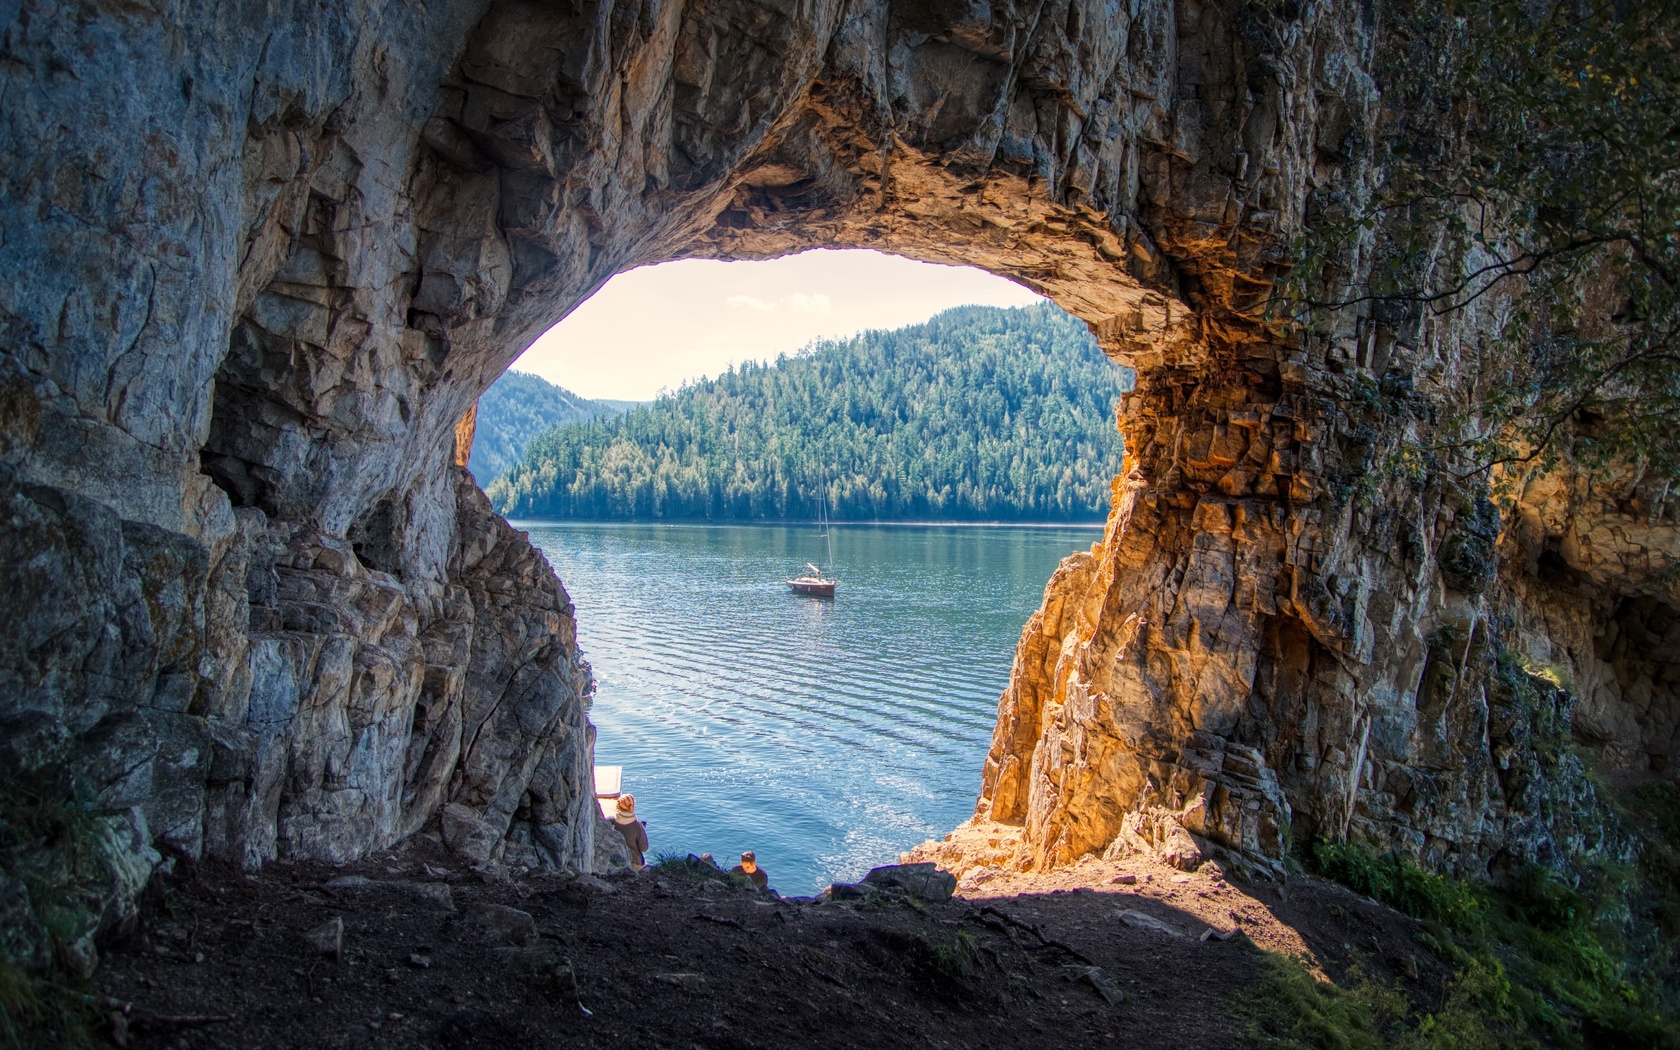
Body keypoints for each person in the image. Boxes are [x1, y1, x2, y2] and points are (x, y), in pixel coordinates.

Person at [612, 794, 648, 870]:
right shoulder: (637, 825)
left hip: (614, 860)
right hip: (634, 862)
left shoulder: (611, 821)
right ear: (631, 807)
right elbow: (643, 848)